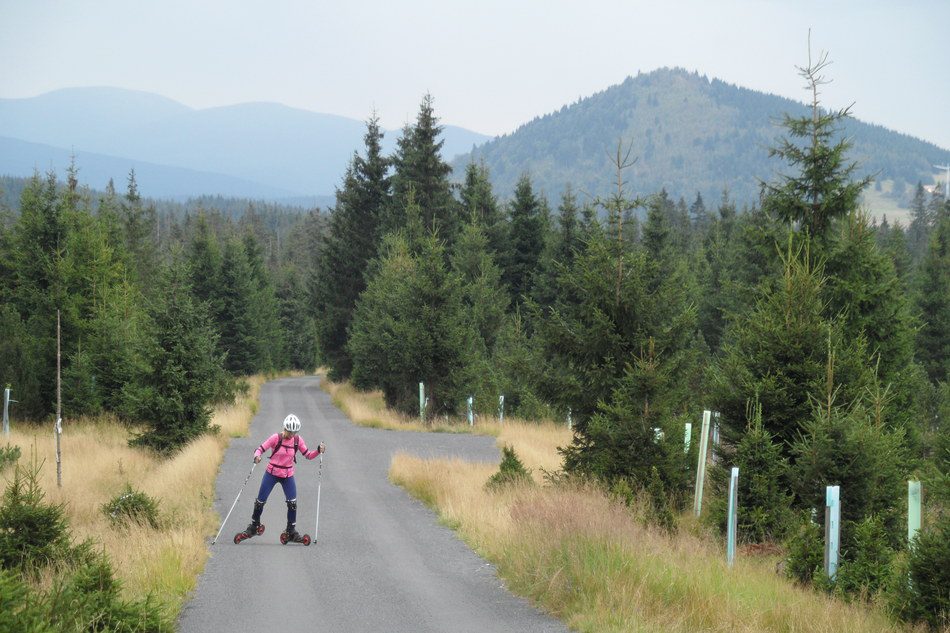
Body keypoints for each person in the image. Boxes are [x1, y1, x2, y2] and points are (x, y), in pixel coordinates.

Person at [239, 413, 325, 542]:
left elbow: (308, 455)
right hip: (271, 474)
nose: (291, 434)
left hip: (288, 475)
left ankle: (291, 531)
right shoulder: (276, 438)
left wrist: (318, 450)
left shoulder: (297, 440)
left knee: (292, 504)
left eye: (294, 432)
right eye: (290, 431)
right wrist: (256, 456)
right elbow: (260, 449)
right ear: (285, 428)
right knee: (260, 502)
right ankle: (254, 526)